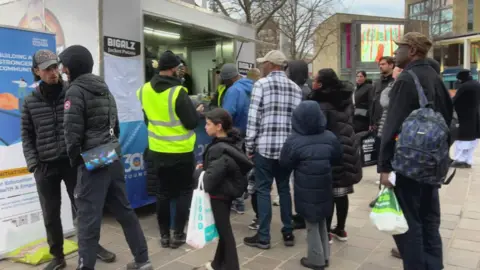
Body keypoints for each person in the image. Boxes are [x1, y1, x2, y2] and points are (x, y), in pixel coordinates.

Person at [21, 49, 115, 270]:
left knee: (84, 209)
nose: (54, 72)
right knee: (51, 214)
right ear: (36, 71)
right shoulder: (29, 102)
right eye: (47, 69)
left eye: (56, 67)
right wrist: (34, 164)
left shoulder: (72, 93)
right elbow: (26, 135)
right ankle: (58, 256)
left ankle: (92, 246)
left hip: (73, 163)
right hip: (44, 166)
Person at [59, 45, 152, 270]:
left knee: (87, 222)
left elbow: (72, 135)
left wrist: (77, 162)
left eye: (64, 65)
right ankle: (142, 260)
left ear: (72, 66)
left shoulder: (75, 91)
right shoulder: (104, 87)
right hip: (111, 155)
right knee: (125, 212)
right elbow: (115, 127)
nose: (62, 70)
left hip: (92, 160)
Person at [378, 32, 453, 270]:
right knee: (430, 219)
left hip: (409, 163)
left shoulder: (407, 79)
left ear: (411, 50)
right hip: (433, 163)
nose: (396, 53)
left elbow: (391, 125)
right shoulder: (435, 77)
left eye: (399, 48)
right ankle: (434, 265)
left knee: (409, 223)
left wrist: (384, 167)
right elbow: (450, 120)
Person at [136, 50, 200, 249]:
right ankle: (178, 234)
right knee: (183, 192)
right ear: (173, 69)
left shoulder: (144, 90)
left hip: (157, 151)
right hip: (180, 152)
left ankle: (164, 235)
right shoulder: (177, 92)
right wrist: (196, 112)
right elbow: (190, 123)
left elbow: (148, 119)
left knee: (162, 193)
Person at [244, 50, 302, 249]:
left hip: (265, 148)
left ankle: (264, 236)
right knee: (284, 189)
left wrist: (249, 146)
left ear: (272, 65)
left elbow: (254, 119)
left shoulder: (261, 84)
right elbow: (297, 122)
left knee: (262, 190)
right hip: (287, 149)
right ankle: (288, 233)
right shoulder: (295, 88)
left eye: (264, 63)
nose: (262, 66)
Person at [280, 101, 342, 270]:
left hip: (305, 187)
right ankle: (325, 255)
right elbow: (337, 157)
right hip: (325, 184)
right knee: (321, 219)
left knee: (312, 224)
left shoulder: (294, 140)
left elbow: (284, 163)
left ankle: (316, 259)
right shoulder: (329, 137)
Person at [194, 108, 253, 270]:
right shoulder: (231, 142)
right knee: (223, 229)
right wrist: (207, 166)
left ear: (218, 126)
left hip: (219, 194)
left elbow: (208, 181)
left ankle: (232, 266)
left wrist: (199, 171)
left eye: (208, 124)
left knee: (225, 232)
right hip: (227, 192)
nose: (205, 127)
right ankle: (217, 264)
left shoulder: (217, 149)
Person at [308, 68, 362, 244]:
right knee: (341, 192)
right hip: (347, 147)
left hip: (329, 150)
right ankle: (340, 229)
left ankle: (327, 232)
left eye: (314, 79)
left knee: (329, 193)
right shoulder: (346, 99)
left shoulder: (320, 104)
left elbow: (317, 129)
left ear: (321, 84)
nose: (312, 82)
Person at [218, 63, 253, 214]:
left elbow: (227, 114)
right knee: (244, 164)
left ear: (229, 79)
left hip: (235, 134)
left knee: (234, 167)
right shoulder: (251, 86)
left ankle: (237, 203)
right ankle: (244, 193)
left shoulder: (233, 90)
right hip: (249, 132)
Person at [452, 69, 480, 168]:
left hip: (464, 118)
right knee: (472, 140)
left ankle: (460, 160)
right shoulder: (477, 84)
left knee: (462, 140)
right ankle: (468, 160)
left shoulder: (464, 87)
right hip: (475, 116)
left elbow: (455, 101)